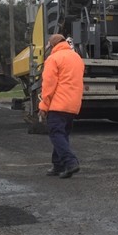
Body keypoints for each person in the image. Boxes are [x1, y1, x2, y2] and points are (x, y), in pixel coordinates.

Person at [39, 33, 85, 179]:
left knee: (56, 134)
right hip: (73, 105)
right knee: (62, 135)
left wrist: (43, 106)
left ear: (52, 45)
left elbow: (48, 86)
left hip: (58, 104)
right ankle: (58, 165)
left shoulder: (53, 59)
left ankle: (70, 163)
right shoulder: (76, 58)